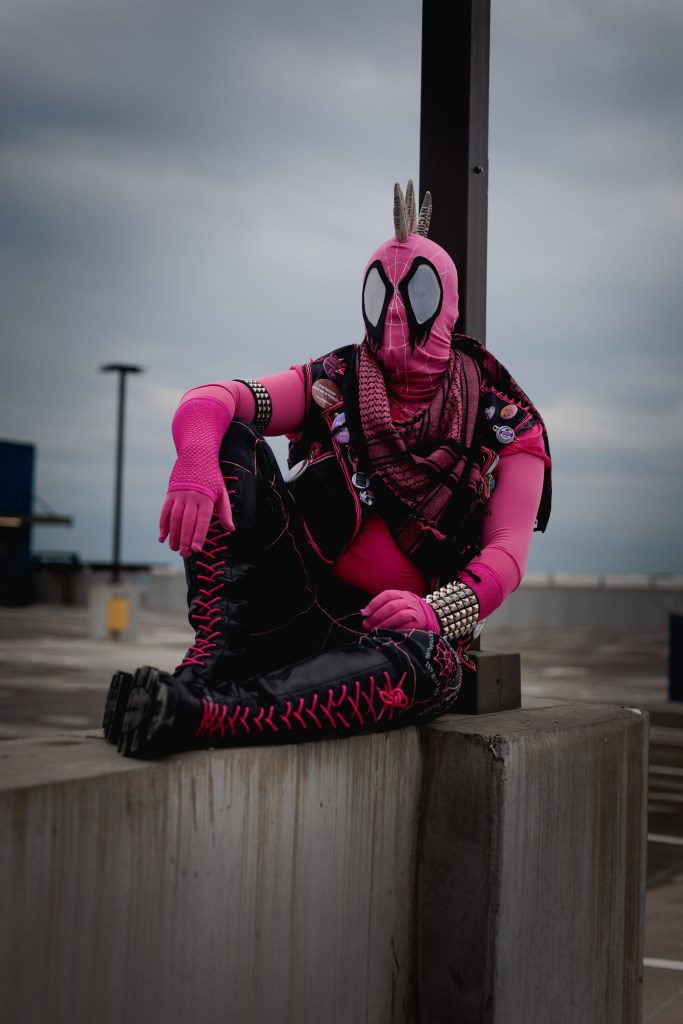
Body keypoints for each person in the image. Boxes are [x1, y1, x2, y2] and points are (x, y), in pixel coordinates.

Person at [103, 180, 551, 758]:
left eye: (413, 294)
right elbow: (218, 399)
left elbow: (507, 555)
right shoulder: (334, 379)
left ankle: (204, 713)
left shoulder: (506, 422)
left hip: (388, 639)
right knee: (230, 439)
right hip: (287, 599)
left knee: (424, 667)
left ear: (446, 303)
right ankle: (210, 663)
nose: (393, 315)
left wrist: (434, 613)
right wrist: (194, 459)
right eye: (379, 293)